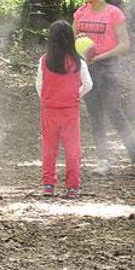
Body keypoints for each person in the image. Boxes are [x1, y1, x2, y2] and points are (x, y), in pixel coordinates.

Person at [73, 0, 135, 178]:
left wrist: (99, 57)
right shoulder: (80, 12)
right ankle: (103, 161)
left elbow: (124, 46)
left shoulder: (114, 13)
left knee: (115, 113)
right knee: (95, 115)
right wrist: (79, 43)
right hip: (86, 69)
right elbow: (73, 39)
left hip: (108, 68)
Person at [36, 21, 93, 197]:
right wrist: (75, 95)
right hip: (70, 110)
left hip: (49, 109)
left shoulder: (44, 60)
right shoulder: (78, 61)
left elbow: (39, 85)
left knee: (49, 148)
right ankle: (73, 187)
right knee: (72, 148)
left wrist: (47, 99)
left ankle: (48, 185)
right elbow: (88, 84)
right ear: (71, 38)